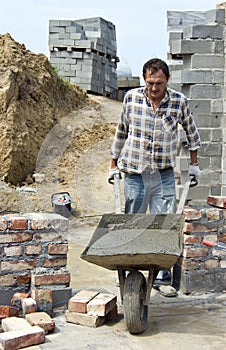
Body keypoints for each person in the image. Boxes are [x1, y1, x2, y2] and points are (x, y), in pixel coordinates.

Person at [109, 58, 201, 296]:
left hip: (163, 173)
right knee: (133, 219)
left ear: (167, 80)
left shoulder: (179, 102)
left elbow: (192, 134)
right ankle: (131, 267)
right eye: (149, 82)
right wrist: (113, 164)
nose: (153, 87)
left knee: (164, 220)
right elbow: (121, 131)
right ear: (144, 79)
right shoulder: (131, 98)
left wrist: (194, 165)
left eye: (158, 82)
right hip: (134, 171)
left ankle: (161, 272)